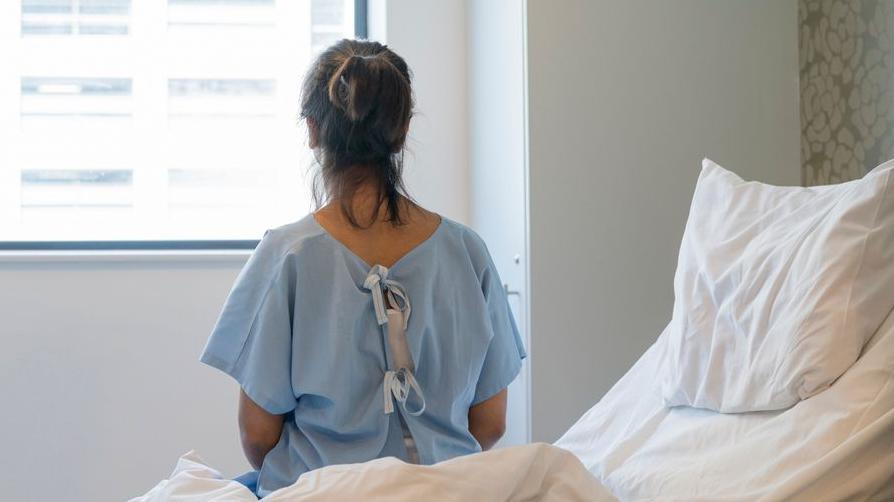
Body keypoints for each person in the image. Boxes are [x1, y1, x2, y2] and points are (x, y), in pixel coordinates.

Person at [200, 39, 526, 497]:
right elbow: (490, 424)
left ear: (313, 131)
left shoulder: (285, 255)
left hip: (321, 489)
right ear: (403, 131)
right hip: (445, 489)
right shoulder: (468, 252)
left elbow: (257, 437)